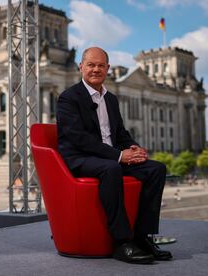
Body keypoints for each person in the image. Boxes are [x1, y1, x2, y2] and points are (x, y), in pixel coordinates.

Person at [56, 47, 172, 264]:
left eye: (101, 65)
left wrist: (134, 148)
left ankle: (142, 237)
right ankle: (121, 242)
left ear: (107, 69)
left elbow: (119, 133)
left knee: (156, 169)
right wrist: (119, 156)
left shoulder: (111, 99)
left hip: (110, 156)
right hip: (81, 158)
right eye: (91, 65)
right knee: (112, 169)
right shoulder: (69, 98)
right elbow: (79, 139)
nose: (96, 69)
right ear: (81, 67)